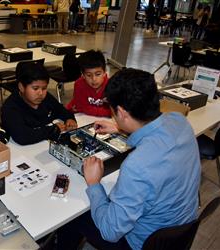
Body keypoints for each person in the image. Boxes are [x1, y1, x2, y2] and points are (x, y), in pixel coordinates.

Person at [57, 68, 201, 250]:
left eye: (113, 111)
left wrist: (94, 184)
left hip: (144, 243)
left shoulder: (136, 166)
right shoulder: (179, 121)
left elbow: (110, 232)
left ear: (122, 112)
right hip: (181, 228)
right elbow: (155, 141)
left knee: (71, 218)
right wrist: (121, 128)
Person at [1, 62, 77, 145]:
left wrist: (69, 118)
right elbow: (22, 137)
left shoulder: (45, 97)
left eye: (44, 88)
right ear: (21, 87)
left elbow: (61, 110)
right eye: (35, 88)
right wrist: (53, 129)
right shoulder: (10, 108)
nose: (41, 93)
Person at [66, 50, 111, 117]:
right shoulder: (79, 84)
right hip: (78, 114)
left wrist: (111, 112)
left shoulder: (111, 85)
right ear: (83, 75)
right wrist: (108, 112)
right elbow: (81, 107)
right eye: (89, 75)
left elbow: (116, 109)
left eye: (98, 74)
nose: (94, 79)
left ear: (105, 72)